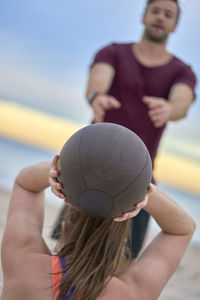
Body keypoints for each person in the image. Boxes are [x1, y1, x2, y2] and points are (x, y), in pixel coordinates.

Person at [0, 123, 196, 300]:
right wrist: (141, 190)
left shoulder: (22, 262)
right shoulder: (133, 293)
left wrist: (58, 171)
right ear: (121, 245)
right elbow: (183, 229)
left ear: (65, 227)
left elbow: (25, 184)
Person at [84, 0, 197, 258]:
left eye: (168, 14)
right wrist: (96, 97)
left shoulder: (181, 71)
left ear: (175, 25)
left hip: (139, 182)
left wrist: (170, 109)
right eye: (155, 11)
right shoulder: (113, 52)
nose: (160, 17)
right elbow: (98, 80)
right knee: (67, 252)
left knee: (122, 267)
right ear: (144, 15)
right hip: (89, 169)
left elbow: (183, 100)